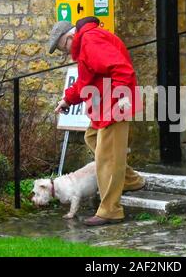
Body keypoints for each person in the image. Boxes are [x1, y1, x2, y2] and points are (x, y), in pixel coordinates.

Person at [48, 16, 145, 226]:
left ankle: (110, 210)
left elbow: (122, 69)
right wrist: (67, 99)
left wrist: (122, 99)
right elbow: (85, 82)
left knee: (106, 156)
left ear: (70, 37)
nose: (65, 52)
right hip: (104, 105)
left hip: (115, 104)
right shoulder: (85, 44)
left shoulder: (90, 41)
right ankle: (130, 180)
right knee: (92, 137)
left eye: (62, 47)